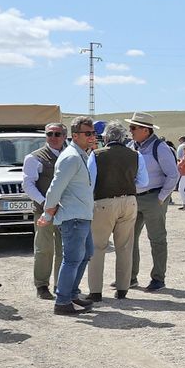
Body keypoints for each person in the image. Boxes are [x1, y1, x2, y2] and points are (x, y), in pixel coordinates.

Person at [43, 117, 99, 316]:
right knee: (73, 259)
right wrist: (48, 211)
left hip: (82, 215)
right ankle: (63, 300)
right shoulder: (72, 157)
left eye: (93, 133)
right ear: (75, 136)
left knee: (84, 255)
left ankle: (72, 295)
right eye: (88, 133)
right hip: (73, 216)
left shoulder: (80, 154)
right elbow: (56, 186)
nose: (92, 136)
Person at [86, 122, 146, 302]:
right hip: (129, 201)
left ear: (105, 137)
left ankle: (96, 291)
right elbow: (143, 182)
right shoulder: (136, 155)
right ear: (123, 137)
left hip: (103, 202)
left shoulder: (96, 155)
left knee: (97, 247)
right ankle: (122, 289)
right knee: (125, 247)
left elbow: (90, 182)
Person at [126, 112, 178, 293]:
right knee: (129, 239)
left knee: (156, 239)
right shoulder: (131, 146)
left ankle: (158, 278)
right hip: (134, 198)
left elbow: (173, 174)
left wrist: (161, 197)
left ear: (145, 130)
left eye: (133, 128)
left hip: (154, 197)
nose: (130, 131)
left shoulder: (160, 147)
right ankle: (129, 277)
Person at [23, 121, 67, 300]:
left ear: (65, 136)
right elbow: (27, 184)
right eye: (50, 134)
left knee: (64, 250)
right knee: (44, 249)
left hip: (66, 211)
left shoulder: (70, 154)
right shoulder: (34, 157)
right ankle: (41, 285)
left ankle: (61, 284)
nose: (53, 138)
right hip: (44, 211)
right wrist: (45, 203)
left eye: (57, 134)